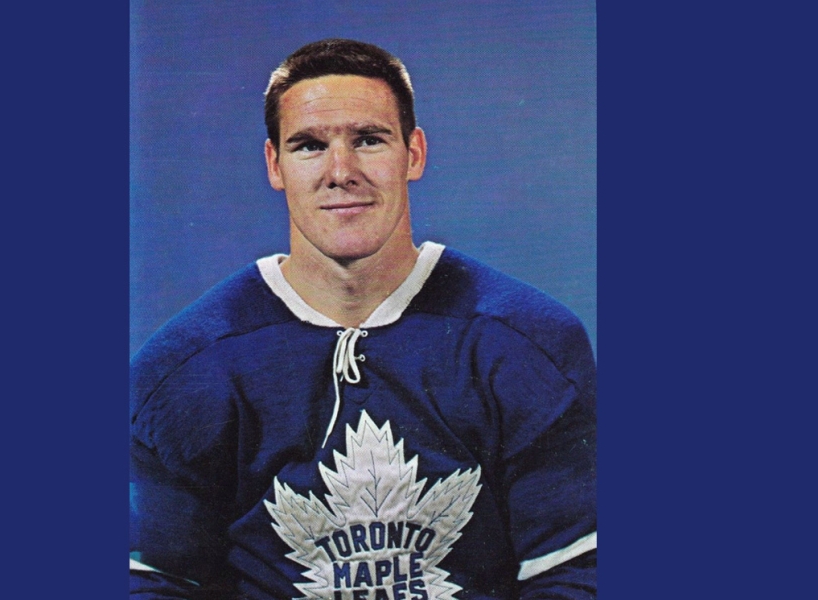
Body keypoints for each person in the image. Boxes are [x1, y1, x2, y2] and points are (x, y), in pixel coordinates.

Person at [130, 38, 596, 599]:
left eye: (369, 140)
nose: (341, 171)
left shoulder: (525, 344)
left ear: (414, 154)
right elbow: (154, 583)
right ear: (275, 165)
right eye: (309, 145)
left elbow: (575, 573)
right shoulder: (184, 371)